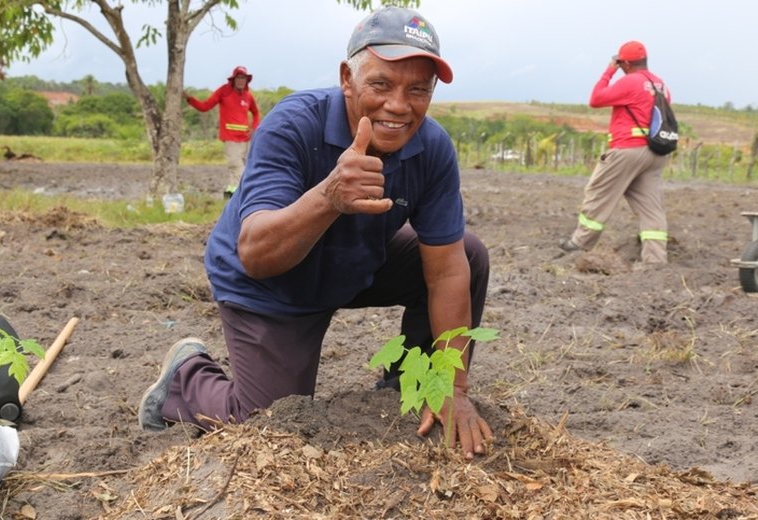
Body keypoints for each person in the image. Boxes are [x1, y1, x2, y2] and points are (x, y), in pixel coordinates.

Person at [141, 7, 494, 460]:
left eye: (418, 90)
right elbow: (256, 253)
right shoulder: (293, 126)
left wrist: (455, 386)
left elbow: (446, 271)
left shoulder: (432, 147)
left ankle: (409, 388)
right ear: (347, 78)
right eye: (381, 84)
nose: (399, 105)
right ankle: (186, 379)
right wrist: (329, 196)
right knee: (270, 425)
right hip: (270, 278)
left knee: (468, 254)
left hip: (353, 260)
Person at [558, 40, 671, 265]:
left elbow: (596, 99)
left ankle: (580, 243)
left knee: (598, 192)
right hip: (656, 153)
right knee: (651, 206)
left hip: (628, 149)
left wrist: (610, 70)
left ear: (625, 63)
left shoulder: (630, 82)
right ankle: (655, 259)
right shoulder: (660, 85)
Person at [183, 66, 260, 198]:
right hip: (230, 137)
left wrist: (254, 128)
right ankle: (244, 194)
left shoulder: (248, 96)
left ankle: (230, 193)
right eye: (239, 77)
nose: (241, 81)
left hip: (244, 138)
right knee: (236, 166)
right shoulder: (224, 92)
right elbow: (205, 106)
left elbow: (256, 113)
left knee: (236, 168)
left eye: (244, 78)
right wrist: (189, 99)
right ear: (233, 79)